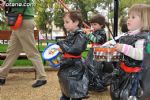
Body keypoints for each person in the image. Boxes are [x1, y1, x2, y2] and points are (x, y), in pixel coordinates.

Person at [0, 0, 47, 88]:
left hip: (23, 21)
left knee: (31, 51)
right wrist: (6, 5)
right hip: (18, 22)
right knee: (12, 52)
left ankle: (42, 77)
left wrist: (7, 3)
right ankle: (1, 76)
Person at [110, 4, 150, 100]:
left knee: (131, 95)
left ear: (144, 20)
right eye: (128, 17)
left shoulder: (143, 38)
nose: (128, 20)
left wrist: (124, 48)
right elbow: (113, 41)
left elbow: (141, 55)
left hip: (135, 77)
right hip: (124, 72)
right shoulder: (128, 35)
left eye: (133, 17)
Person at [57, 11, 88, 100]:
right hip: (68, 63)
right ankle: (65, 96)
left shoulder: (81, 35)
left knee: (75, 88)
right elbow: (67, 46)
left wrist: (62, 47)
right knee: (65, 83)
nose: (64, 25)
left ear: (76, 22)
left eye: (67, 22)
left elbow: (76, 49)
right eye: (64, 22)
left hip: (75, 66)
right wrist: (61, 49)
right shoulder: (71, 34)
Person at [84, 14, 113, 92]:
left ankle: (99, 85)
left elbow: (97, 40)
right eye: (92, 24)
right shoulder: (96, 31)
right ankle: (92, 83)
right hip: (93, 52)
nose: (93, 26)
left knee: (96, 69)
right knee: (89, 67)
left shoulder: (102, 32)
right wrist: (88, 34)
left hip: (99, 53)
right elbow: (91, 39)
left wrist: (89, 34)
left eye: (95, 24)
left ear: (101, 25)